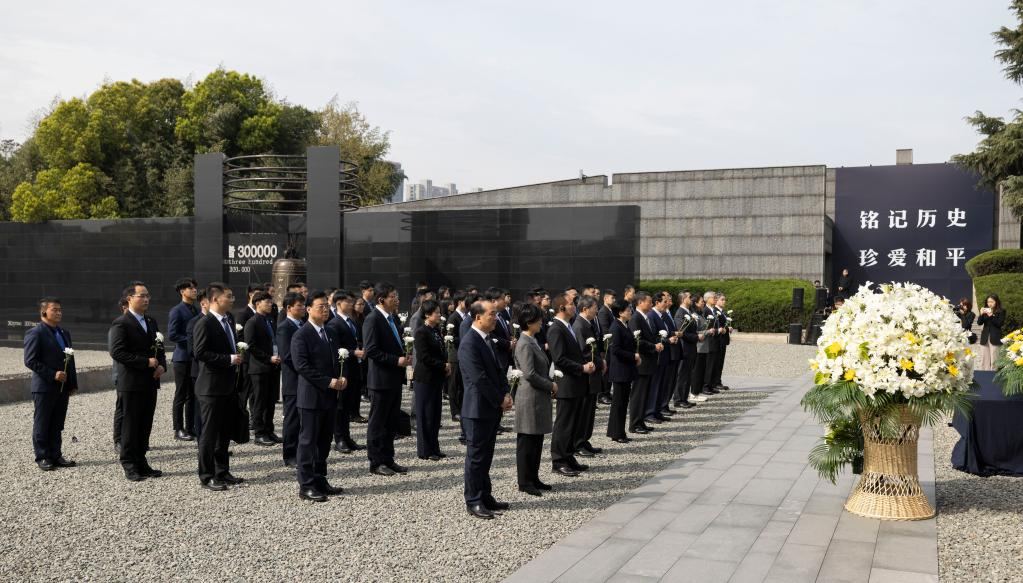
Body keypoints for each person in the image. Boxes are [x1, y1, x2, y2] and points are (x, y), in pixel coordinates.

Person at [291, 290, 348, 502]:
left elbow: (338, 361)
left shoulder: (330, 332)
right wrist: (328, 381)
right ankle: (305, 485)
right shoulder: (301, 334)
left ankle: (319, 477)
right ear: (308, 310)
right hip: (311, 397)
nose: (325, 309)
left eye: (327, 306)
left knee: (324, 441)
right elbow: (302, 366)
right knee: (308, 441)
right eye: (320, 306)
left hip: (330, 396)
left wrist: (342, 378)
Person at [458, 300, 513, 519]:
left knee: (486, 455)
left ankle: (485, 495)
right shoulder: (469, 342)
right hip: (478, 409)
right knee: (477, 457)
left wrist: (506, 392)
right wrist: (499, 399)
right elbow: (479, 379)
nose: (496, 318)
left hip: (491, 407)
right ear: (478, 317)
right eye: (492, 314)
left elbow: (498, 371)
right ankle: (473, 500)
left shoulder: (486, 339)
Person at [109, 281, 166, 482]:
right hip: (131, 383)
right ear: (129, 299)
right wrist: (145, 362)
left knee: (145, 424)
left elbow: (159, 348)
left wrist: (161, 366)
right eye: (141, 295)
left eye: (148, 295)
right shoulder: (121, 323)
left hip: (149, 382)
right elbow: (117, 352)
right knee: (130, 425)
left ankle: (142, 461)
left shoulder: (151, 322)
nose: (146, 299)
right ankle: (129, 464)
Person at [193, 283, 244, 492]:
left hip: (228, 386)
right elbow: (200, 352)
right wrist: (229, 359)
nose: (232, 299)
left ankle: (222, 470)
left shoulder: (229, 320)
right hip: (211, 387)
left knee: (224, 432)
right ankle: (207, 475)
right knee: (209, 434)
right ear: (215, 300)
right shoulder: (204, 323)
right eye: (228, 296)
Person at [24, 297, 78, 471]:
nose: (59, 312)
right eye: (54, 309)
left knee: (57, 422)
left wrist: (72, 383)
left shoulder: (64, 333)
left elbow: (70, 361)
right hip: (44, 387)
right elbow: (30, 360)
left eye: (60, 309)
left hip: (62, 387)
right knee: (43, 422)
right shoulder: (35, 333)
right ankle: (43, 456)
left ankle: (56, 455)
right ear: (43, 312)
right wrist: (52, 374)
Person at [363, 282, 410, 476]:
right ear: (382, 299)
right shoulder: (373, 319)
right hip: (380, 380)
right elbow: (371, 350)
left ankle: (388, 458)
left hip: (394, 379)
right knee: (378, 422)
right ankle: (376, 462)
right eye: (393, 297)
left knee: (391, 422)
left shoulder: (393, 319)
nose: (397, 300)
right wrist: (395, 360)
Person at [548, 293, 595, 477]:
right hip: (566, 385)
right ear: (562, 308)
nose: (574, 306)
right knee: (564, 424)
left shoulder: (567, 327)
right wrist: (581, 367)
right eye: (571, 304)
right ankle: (558, 460)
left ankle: (568, 457)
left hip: (576, 384)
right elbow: (559, 359)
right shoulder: (556, 329)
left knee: (573, 423)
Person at [513, 303, 556, 496]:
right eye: (538, 319)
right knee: (527, 442)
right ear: (529, 322)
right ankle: (524, 481)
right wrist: (551, 385)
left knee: (536, 440)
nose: (541, 322)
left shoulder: (533, 340)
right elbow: (529, 373)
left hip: (537, 398)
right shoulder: (524, 343)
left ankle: (534, 477)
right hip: (529, 398)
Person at [326, 290, 366, 454]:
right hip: (342, 369)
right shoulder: (334, 324)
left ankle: (347, 437)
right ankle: (340, 438)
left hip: (353, 368)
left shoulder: (352, 321)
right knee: (340, 406)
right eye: (347, 302)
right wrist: (353, 352)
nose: (351, 305)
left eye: (351, 302)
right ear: (338, 304)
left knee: (348, 405)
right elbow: (335, 349)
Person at [413, 299, 449, 461]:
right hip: (425, 378)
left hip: (436, 378)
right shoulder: (421, 332)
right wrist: (442, 365)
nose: (439, 315)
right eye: (436, 312)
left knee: (435, 415)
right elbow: (423, 357)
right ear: (428, 315)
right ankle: (425, 450)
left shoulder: (436, 330)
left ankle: (434, 447)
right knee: (425, 415)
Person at [244, 290, 282, 446]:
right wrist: (268, 358)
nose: (270, 304)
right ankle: (259, 433)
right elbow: (250, 346)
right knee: (260, 402)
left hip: (273, 367)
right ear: (257, 303)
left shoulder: (270, 320)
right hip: (259, 368)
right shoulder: (252, 322)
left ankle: (269, 430)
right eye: (267, 302)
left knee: (271, 400)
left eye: (271, 301)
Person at [572, 295, 605, 459]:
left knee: (590, 411)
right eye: (594, 307)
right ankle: (578, 442)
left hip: (593, 374)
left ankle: (585, 439)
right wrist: (600, 362)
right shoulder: (579, 325)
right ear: (585, 309)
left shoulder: (588, 324)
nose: (597, 310)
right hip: (586, 375)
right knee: (584, 411)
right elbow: (585, 352)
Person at [168, 277, 199, 442]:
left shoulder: (196, 310)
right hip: (181, 358)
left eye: (195, 288)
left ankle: (190, 427)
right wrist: (191, 340)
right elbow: (172, 334)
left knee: (193, 394)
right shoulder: (177, 310)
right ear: (182, 291)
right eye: (191, 288)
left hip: (193, 358)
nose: (194, 290)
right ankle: (178, 429)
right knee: (181, 393)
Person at [277, 292, 306, 467]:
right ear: (289, 308)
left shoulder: (303, 324)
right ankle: (289, 455)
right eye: (299, 306)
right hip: (293, 381)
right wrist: (306, 365)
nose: (303, 308)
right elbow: (287, 356)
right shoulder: (284, 327)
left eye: (304, 305)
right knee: (292, 419)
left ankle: (301, 451)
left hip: (305, 379)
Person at [629, 291, 662, 434]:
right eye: (649, 301)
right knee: (638, 394)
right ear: (640, 302)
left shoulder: (645, 317)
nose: (651, 304)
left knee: (645, 394)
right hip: (642, 362)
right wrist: (653, 346)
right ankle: (634, 423)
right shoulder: (635, 318)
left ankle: (641, 421)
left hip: (649, 362)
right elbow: (637, 341)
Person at [606, 299, 638, 443]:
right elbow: (616, 350)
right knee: (618, 404)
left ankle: (620, 431)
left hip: (626, 370)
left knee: (623, 402)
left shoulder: (624, 325)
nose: (630, 311)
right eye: (628, 309)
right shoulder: (615, 327)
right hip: (619, 371)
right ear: (620, 313)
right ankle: (615, 433)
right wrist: (633, 355)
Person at [672, 291, 698, 409]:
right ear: (683, 299)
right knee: (682, 374)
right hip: (684, 347)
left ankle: (684, 397)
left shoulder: (689, 312)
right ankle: (678, 399)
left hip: (691, 347)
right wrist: (697, 337)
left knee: (688, 373)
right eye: (689, 297)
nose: (691, 299)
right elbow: (682, 333)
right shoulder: (680, 313)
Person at [446, 291, 468, 423]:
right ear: (460, 302)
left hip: (462, 354)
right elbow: (451, 337)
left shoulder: (465, 316)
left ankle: (461, 408)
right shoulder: (453, 317)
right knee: (454, 384)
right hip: (455, 355)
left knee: (461, 384)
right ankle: (455, 412)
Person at [111, 297, 129, 453]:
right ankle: (118, 440)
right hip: (122, 374)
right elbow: (116, 352)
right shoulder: (119, 324)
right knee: (122, 409)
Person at [689, 296, 711, 403]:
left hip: (704, 347)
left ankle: (697, 391)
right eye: (702, 301)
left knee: (701, 370)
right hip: (699, 347)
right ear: (696, 303)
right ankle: (693, 393)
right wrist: (708, 331)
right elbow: (695, 332)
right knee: (697, 371)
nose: (704, 303)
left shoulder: (700, 314)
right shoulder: (694, 316)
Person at [596, 289, 616, 405]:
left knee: (609, 371)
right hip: (606, 346)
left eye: (614, 298)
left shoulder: (611, 311)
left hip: (611, 345)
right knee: (605, 371)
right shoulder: (603, 311)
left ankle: (607, 392)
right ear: (605, 298)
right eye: (611, 298)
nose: (613, 300)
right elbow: (605, 330)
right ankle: (602, 394)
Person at [977, 294, 1006, 371]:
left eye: (991, 302)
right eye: (988, 302)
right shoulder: (985, 310)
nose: (989, 303)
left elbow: (999, 324)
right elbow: (979, 323)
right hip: (985, 337)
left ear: (996, 302)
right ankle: (985, 376)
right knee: (984, 359)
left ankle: (994, 377)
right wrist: (981, 314)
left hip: (995, 337)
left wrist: (991, 315)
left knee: (994, 360)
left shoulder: (1001, 311)